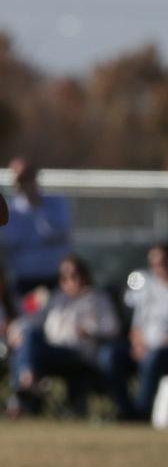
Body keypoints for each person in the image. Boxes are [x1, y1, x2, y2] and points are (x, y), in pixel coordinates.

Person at [98, 243, 168, 420]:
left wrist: (160, 346)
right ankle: (126, 409)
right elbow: (137, 325)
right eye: (154, 264)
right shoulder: (149, 287)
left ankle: (142, 412)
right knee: (109, 354)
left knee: (155, 357)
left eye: (164, 262)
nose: (159, 268)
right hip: (144, 348)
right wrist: (138, 345)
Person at [6, 254, 120, 417]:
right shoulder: (55, 299)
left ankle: (22, 397)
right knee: (27, 337)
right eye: (64, 277)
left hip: (79, 355)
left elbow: (113, 328)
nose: (70, 280)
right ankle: (27, 384)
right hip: (52, 352)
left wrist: (89, 331)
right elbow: (28, 320)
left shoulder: (97, 299)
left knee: (27, 349)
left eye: (74, 275)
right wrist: (16, 332)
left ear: (85, 275)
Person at [2, 158, 73, 295]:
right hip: (24, 284)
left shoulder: (57, 203)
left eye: (26, 177)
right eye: (19, 179)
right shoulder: (10, 212)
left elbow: (59, 232)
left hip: (56, 282)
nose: (23, 183)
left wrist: (36, 206)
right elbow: (10, 241)